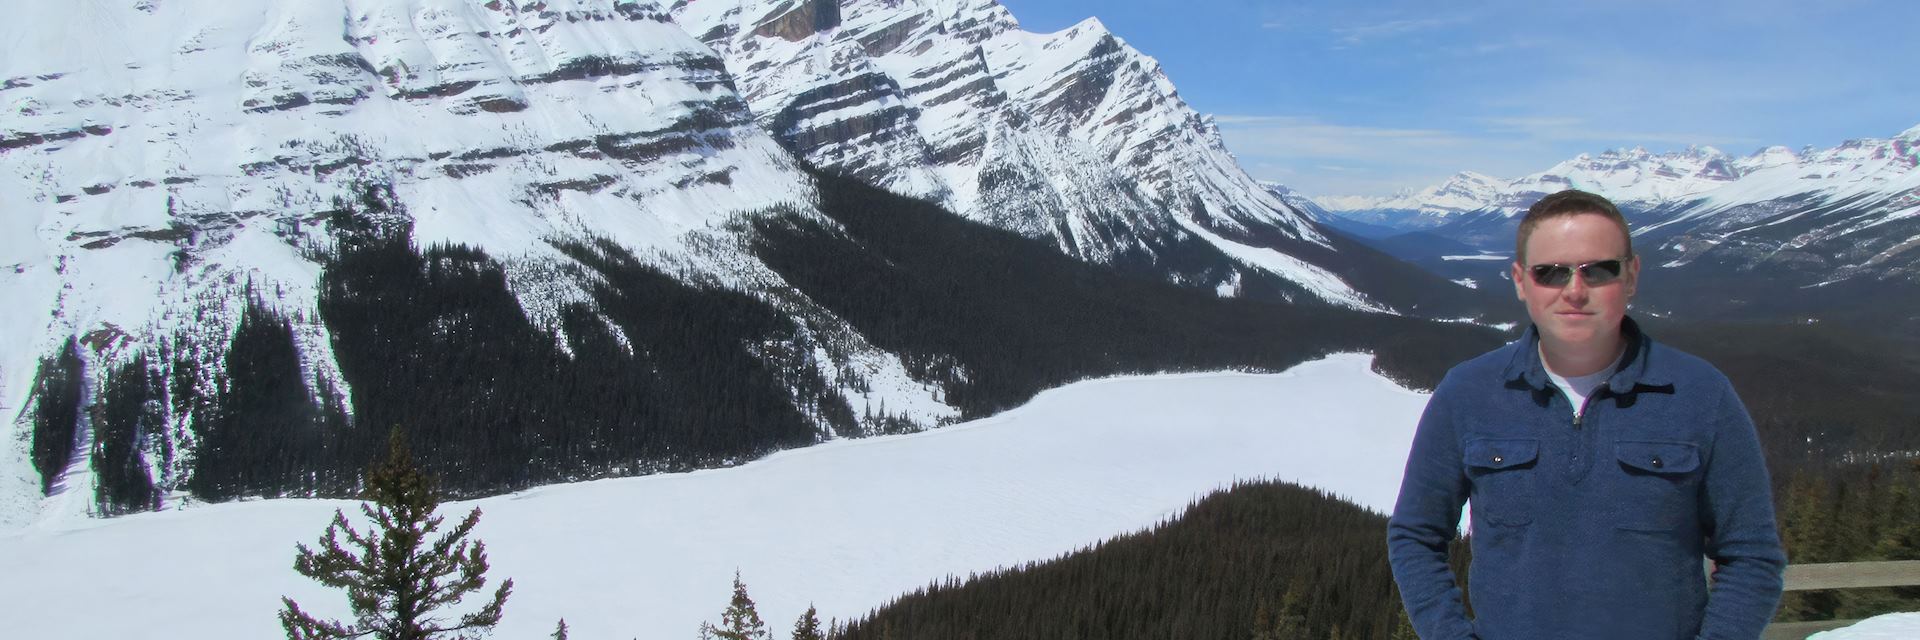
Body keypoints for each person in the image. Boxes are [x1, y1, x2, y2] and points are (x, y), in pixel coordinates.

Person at [1385, 189, 1785, 639]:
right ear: (1520, 281)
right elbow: (1416, 537)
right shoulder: (1468, 393)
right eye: (1549, 273)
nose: (1574, 291)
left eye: (1598, 270)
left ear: (1631, 276)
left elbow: (1751, 555)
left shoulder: (1701, 394)